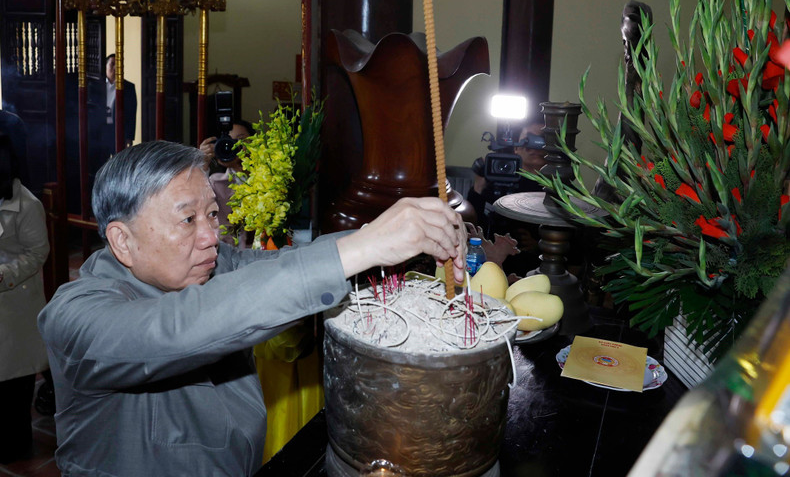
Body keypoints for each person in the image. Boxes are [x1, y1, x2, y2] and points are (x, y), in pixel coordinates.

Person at [38, 140, 466, 476]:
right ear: (123, 242)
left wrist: (396, 237)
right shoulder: (77, 317)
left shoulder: (215, 264)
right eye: (188, 220)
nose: (210, 236)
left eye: (212, 214)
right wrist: (366, 245)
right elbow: (177, 326)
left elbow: (288, 268)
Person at [0, 134, 50, 464]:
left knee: (14, 385)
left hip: (15, 301)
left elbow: (38, 252)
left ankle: (17, 447)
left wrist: (3, 274)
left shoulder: (28, 204)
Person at [467, 117, 546, 275]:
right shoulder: (495, 179)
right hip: (488, 264)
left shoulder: (556, 188)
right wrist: (478, 187)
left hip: (534, 268)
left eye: (540, 140)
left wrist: (539, 245)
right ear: (516, 147)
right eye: (527, 140)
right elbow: (471, 224)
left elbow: (572, 242)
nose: (533, 147)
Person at [198, 120, 254, 247]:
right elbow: (196, 202)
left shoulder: (271, 176)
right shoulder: (216, 183)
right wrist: (203, 164)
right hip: (231, 254)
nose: (233, 146)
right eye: (228, 142)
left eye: (241, 140)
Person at [89, 54, 138, 172]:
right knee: (100, 163)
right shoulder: (95, 85)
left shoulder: (128, 87)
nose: (115, 68)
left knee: (119, 163)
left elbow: (132, 113)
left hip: (117, 130)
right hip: (100, 130)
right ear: (105, 66)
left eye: (119, 65)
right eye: (112, 64)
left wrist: (129, 137)